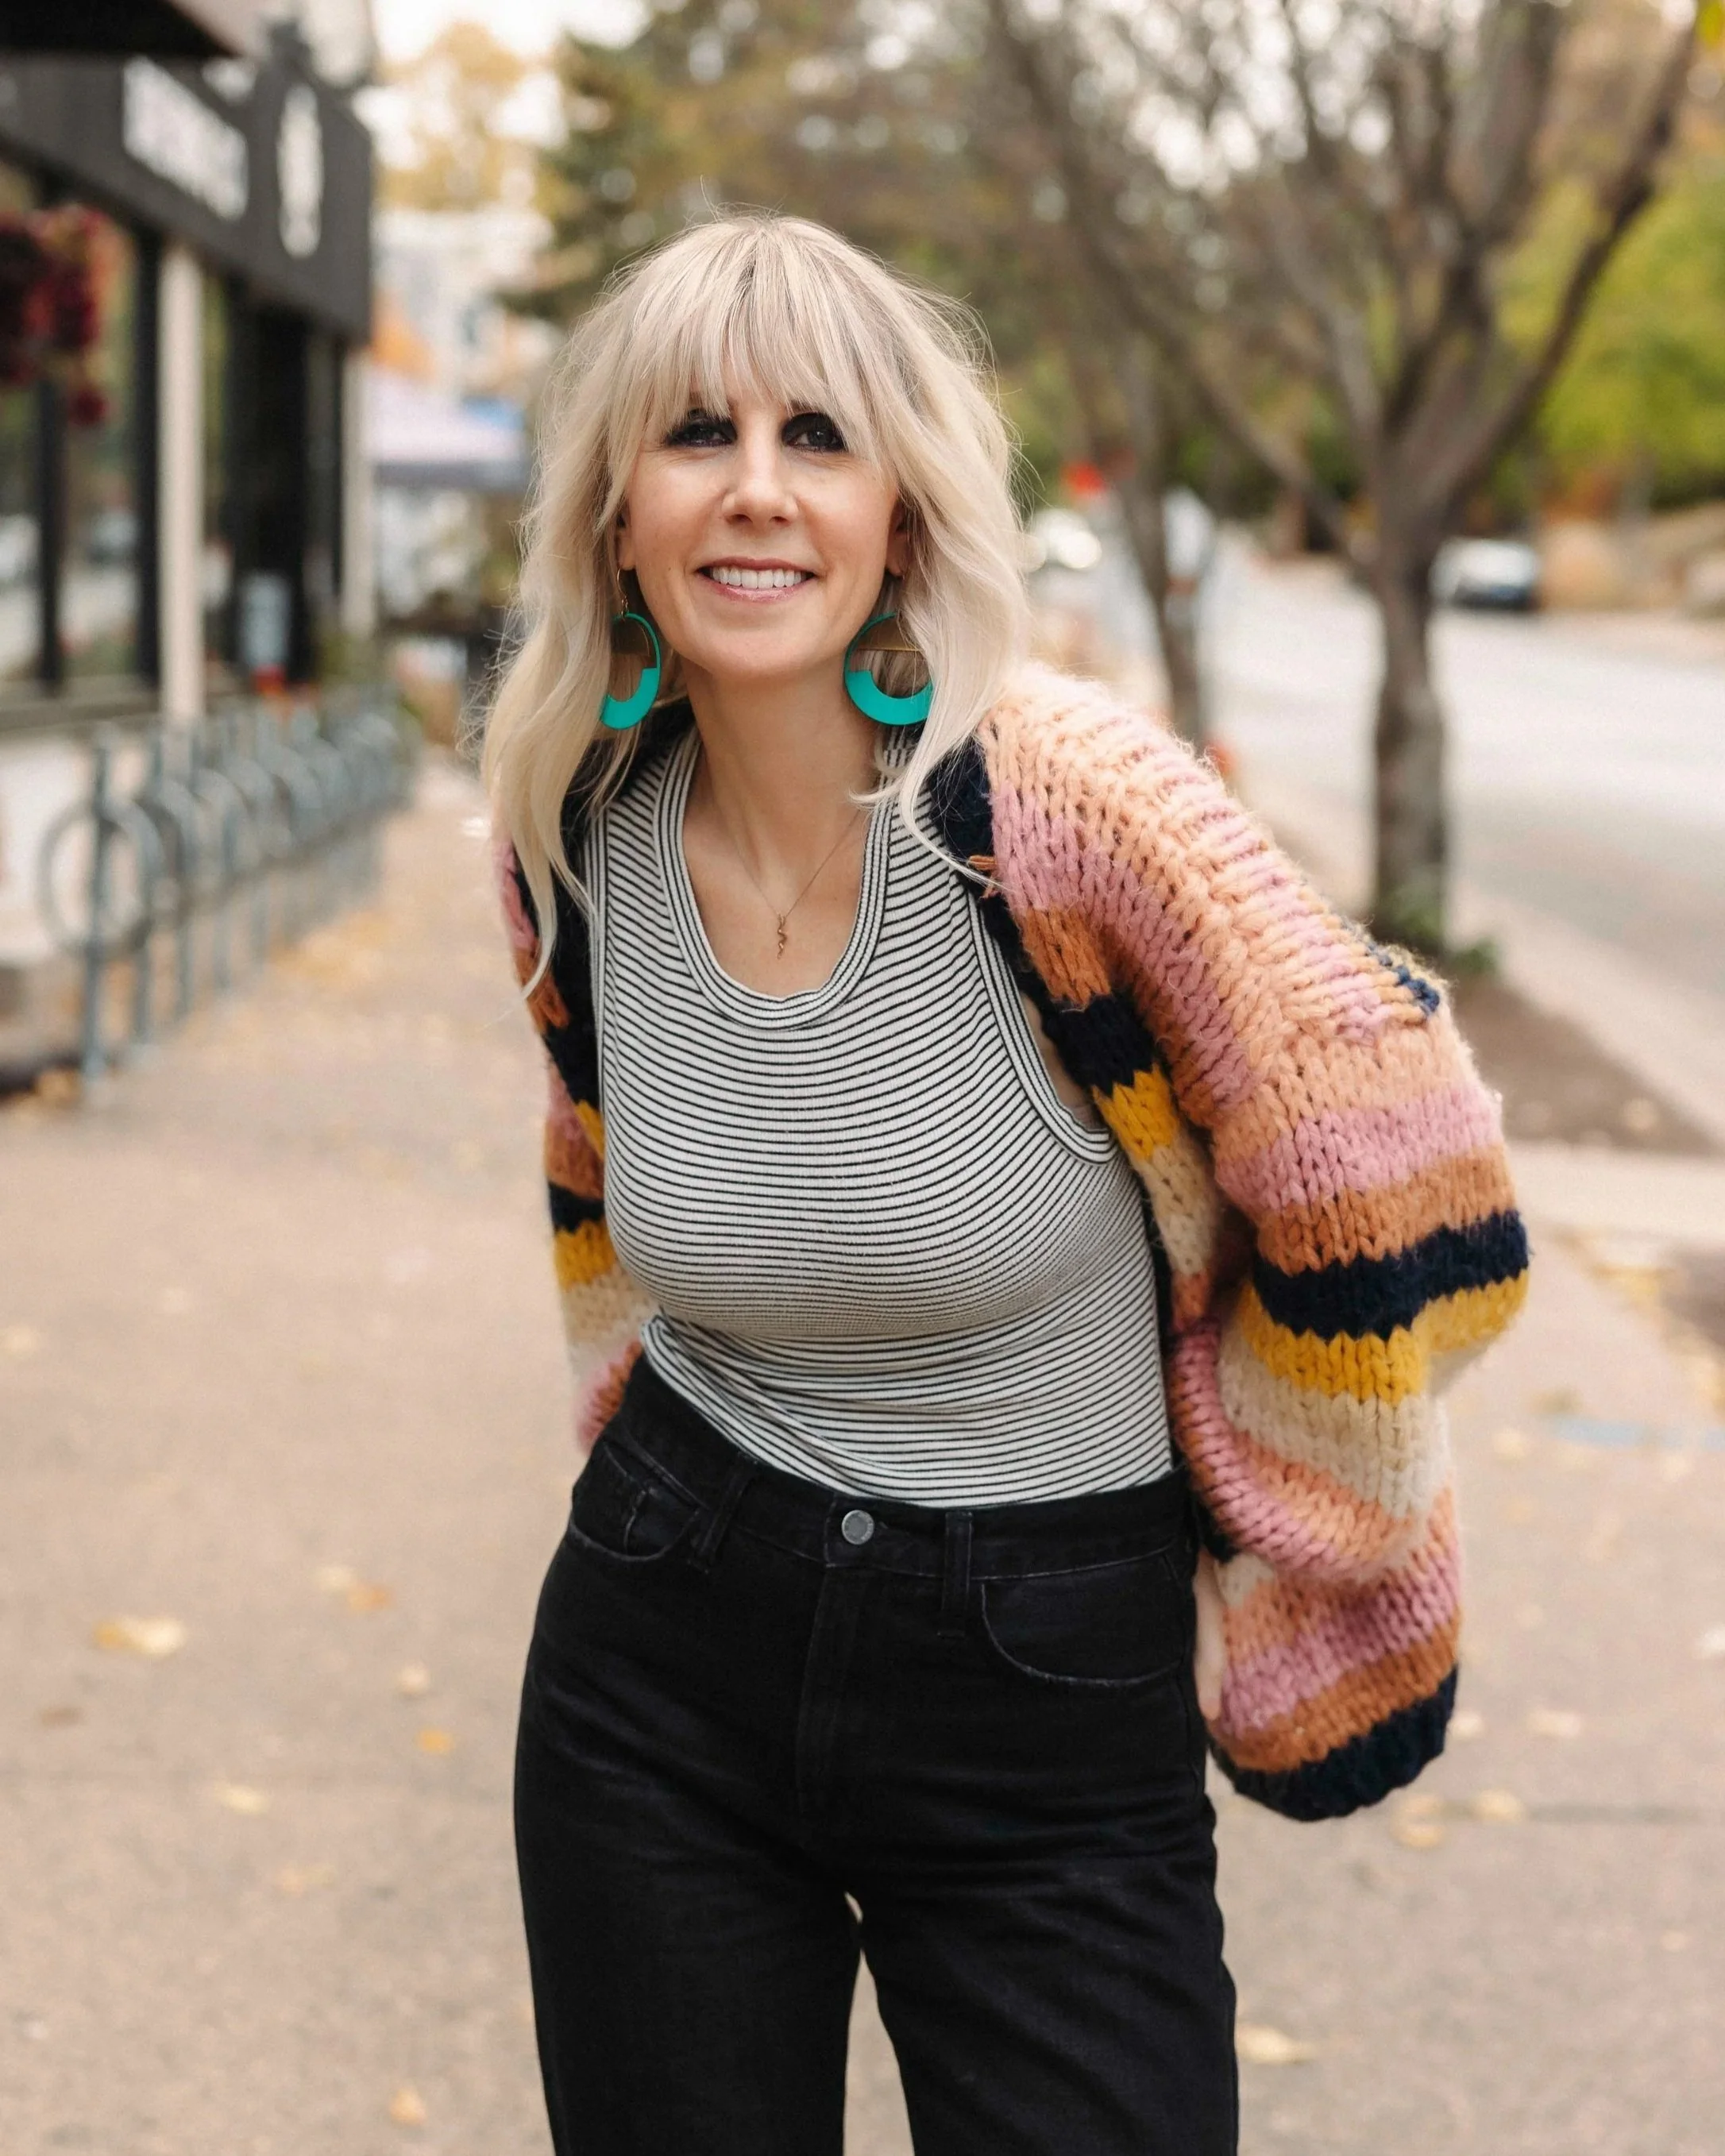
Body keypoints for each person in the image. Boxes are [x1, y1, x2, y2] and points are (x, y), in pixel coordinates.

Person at [484, 214, 1528, 2156]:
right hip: (662, 1659)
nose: (757, 490)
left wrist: (1282, 1494)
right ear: (617, 517)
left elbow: (1412, 1176)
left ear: (901, 514)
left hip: (1049, 1691)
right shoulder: (573, 822)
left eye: (820, 436)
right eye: (697, 433)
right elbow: (596, 1167)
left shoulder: (1056, 810)